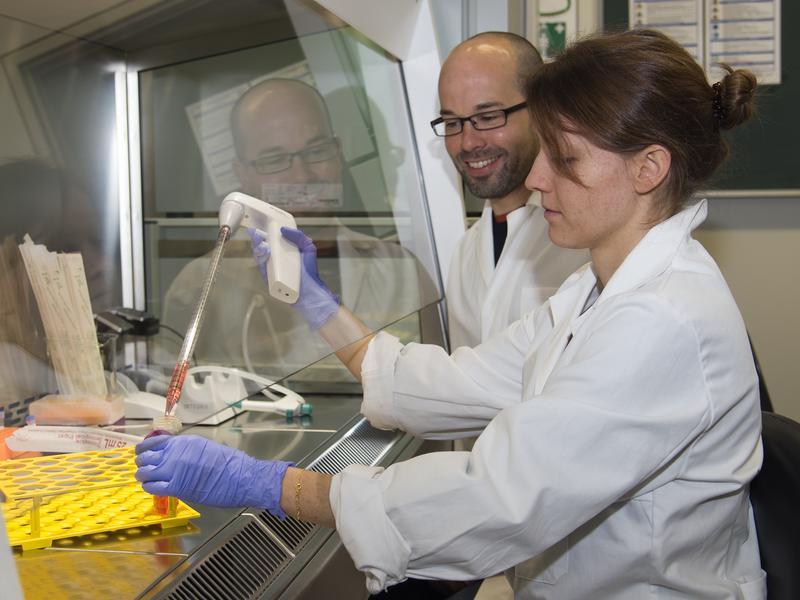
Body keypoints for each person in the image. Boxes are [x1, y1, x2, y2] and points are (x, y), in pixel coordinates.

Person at [136, 29, 765, 598]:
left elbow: (498, 497)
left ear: (649, 168)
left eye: (565, 159)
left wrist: (272, 487)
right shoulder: (594, 290)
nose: (538, 178)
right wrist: (314, 299)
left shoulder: (662, 319)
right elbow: (459, 381)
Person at [161, 78, 432, 378]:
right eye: (275, 160)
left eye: (316, 151)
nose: (302, 176)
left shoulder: (402, 271)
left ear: (338, 152)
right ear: (243, 175)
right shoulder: (200, 287)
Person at [436, 32, 587, 349]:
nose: (468, 143)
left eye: (488, 117)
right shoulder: (465, 253)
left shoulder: (587, 239)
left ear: (541, 110)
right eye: (452, 123)